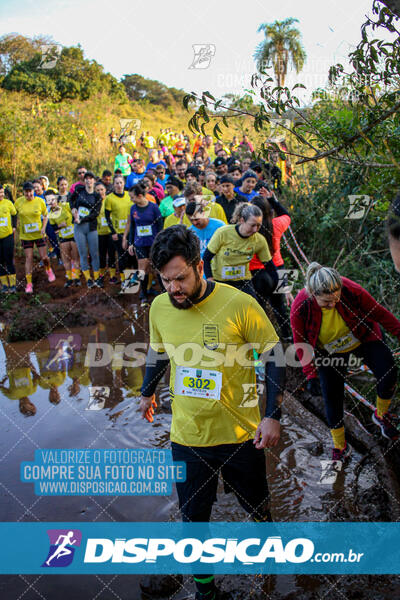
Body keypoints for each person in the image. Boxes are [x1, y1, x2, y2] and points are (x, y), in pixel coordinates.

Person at [139, 225, 283, 600]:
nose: (174, 289)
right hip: (187, 437)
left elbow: (275, 354)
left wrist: (272, 415)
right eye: (166, 281)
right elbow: (157, 352)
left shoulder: (238, 303)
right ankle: (206, 591)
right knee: (194, 522)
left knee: (257, 506)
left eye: (181, 278)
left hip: (239, 435)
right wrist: (145, 392)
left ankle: (271, 563)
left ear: (199, 266)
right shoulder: (159, 307)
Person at [290, 262, 400, 461]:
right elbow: (300, 340)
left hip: (362, 338)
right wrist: (310, 373)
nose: (332, 305)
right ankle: (340, 446)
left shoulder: (352, 290)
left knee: (389, 371)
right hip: (328, 353)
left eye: (336, 299)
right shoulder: (301, 305)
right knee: (332, 397)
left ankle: (381, 416)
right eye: (326, 303)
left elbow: (379, 313)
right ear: (314, 295)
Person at [203, 203, 277, 300]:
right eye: (252, 225)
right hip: (220, 280)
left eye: (259, 226)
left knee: (252, 306)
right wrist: (210, 281)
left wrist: (285, 288)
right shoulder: (223, 233)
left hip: (243, 281)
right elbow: (206, 257)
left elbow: (270, 266)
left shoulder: (259, 240)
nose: (255, 230)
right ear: (242, 220)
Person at [250, 190, 292, 341]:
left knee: (259, 308)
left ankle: (263, 339)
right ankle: (287, 337)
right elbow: (286, 215)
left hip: (257, 272)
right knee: (280, 307)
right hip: (278, 269)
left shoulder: (250, 228)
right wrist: (272, 200)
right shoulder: (278, 224)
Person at [124, 182, 163, 305]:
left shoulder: (154, 208)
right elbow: (133, 226)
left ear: (140, 195)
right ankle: (143, 293)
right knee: (142, 268)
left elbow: (160, 225)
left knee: (157, 267)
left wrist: (160, 241)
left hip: (153, 242)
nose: (131, 199)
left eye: (132, 197)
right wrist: (131, 243)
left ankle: (164, 292)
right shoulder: (133, 208)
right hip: (140, 242)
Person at [15, 182, 55, 293]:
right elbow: (13, 214)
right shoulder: (18, 202)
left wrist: (43, 228)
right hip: (26, 235)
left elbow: (46, 215)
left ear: (33, 191)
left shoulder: (40, 201)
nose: (28, 194)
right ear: (23, 192)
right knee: (29, 258)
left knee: (44, 257)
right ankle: (29, 283)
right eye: (26, 192)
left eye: (30, 191)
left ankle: (48, 269)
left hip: (39, 234)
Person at [69, 171, 101, 288]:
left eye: (91, 178)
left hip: (91, 226)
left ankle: (97, 277)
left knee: (94, 253)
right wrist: (73, 209)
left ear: (94, 180)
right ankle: (88, 279)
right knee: (82, 253)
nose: (88, 180)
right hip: (79, 228)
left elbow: (96, 213)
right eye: (86, 178)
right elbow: (70, 200)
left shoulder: (97, 196)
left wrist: (82, 219)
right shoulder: (79, 190)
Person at [105, 175, 133, 288]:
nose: (119, 185)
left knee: (131, 256)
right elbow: (107, 217)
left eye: (121, 182)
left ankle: (132, 281)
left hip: (131, 230)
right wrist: (113, 232)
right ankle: (124, 281)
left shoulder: (128, 195)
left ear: (124, 183)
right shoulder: (109, 198)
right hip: (118, 232)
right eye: (116, 183)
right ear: (113, 184)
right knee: (122, 256)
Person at [48, 195, 80, 288]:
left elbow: (75, 212)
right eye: (49, 201)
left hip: (74, 235)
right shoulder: (51, 214)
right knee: (66, 258)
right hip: (63, 237)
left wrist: (75, 219)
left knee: (76, 257)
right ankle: (69, 279)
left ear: (56, 199)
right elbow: (54, 228)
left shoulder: (65, 206)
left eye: (53, 200)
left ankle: (77, 278)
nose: (52, 202)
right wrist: (59, 226)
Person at [95, 181, 116, 285]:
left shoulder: (110, 200)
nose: (100, 192)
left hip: (111, 232)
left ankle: (112, 276)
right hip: (100, 233)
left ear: (105, 190)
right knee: (102, 255)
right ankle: (101, 277)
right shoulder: (94, 202)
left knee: (112, 254)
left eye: (101, 190)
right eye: (97, 190)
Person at [0, 184, 17, 292]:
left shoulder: (8, 203)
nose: (0, 195)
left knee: (9, 260)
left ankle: (13, 285)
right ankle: (5, 285)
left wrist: (14, 226)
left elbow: (14, 214)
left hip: (8, 236)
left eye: (2, 192)